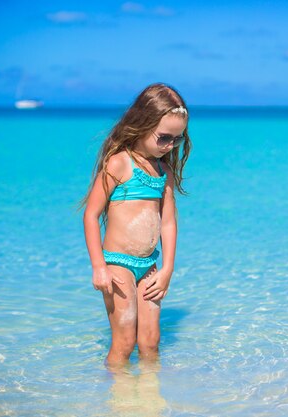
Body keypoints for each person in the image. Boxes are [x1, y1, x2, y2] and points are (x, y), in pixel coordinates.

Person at [81, 83, 191, 367]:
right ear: (142, 125)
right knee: (125, 341)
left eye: (176, 140)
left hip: (150, 266)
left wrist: (167, 268)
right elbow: (91, 215)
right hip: (118, 264)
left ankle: (149, 402)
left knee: (151, 343)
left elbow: (168, 223)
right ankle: (119, 404)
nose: (169, 146)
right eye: (164, 138)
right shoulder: (119, 164)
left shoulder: (162, 171)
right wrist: (98, 266)